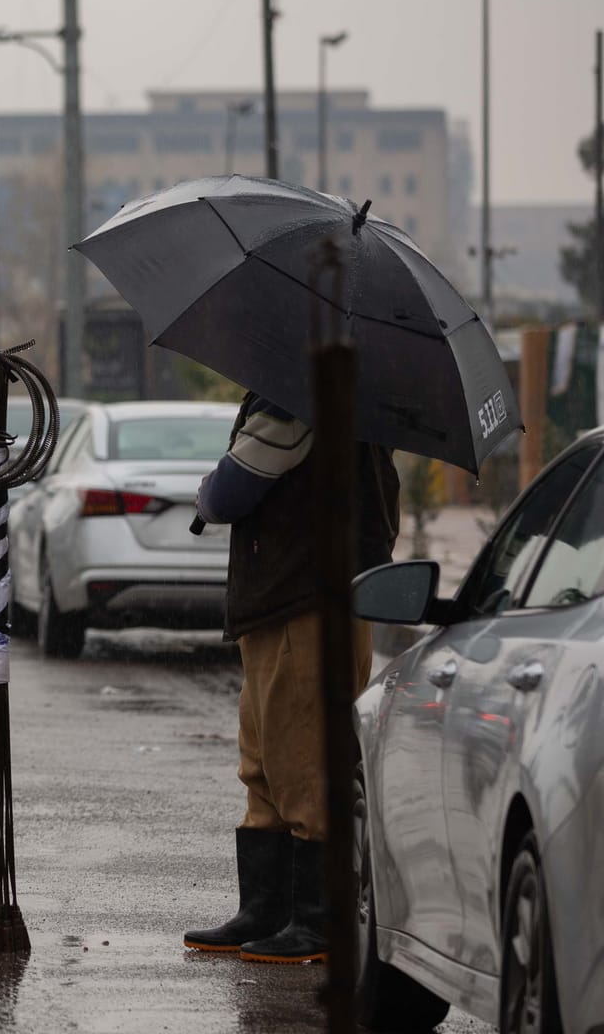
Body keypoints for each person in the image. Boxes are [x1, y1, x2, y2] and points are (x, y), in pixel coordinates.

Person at [183, 392, 398, 965]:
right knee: (265, 761)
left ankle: (319, 921)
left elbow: (232, 489)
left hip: (302, 600)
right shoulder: (334, 392)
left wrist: (204, 492)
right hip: (285, 598)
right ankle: (267, 910)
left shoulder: (300, 390)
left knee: (304, 761)